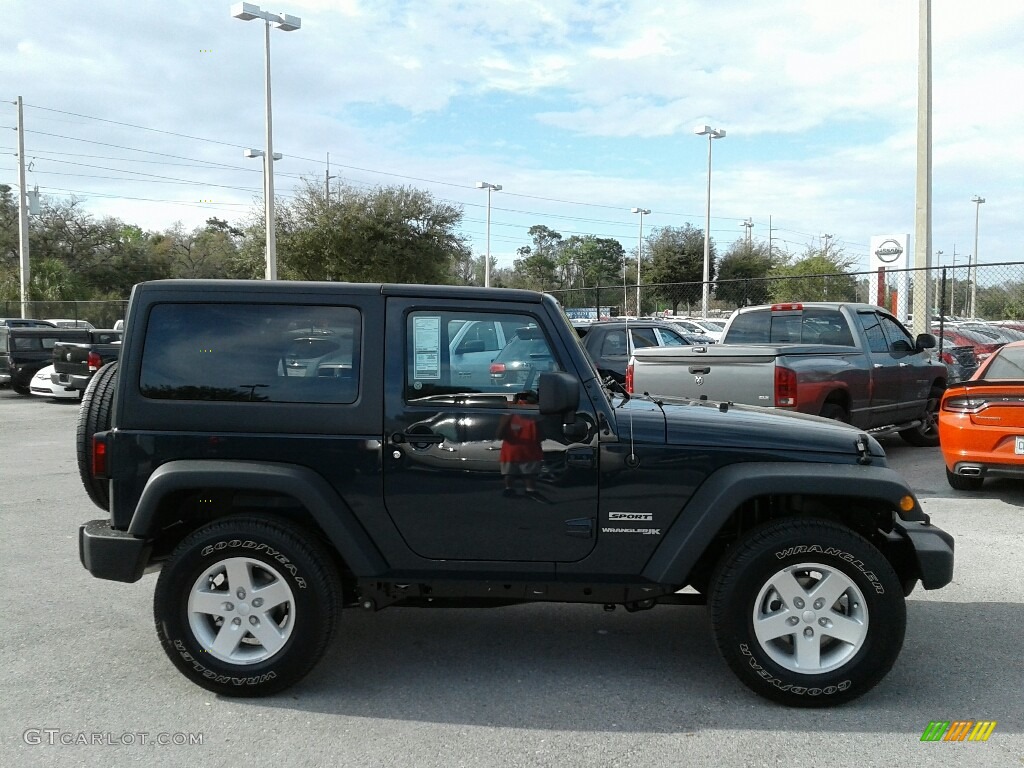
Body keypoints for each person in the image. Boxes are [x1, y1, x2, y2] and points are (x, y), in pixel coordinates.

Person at [497, 392, 544, 497]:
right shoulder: (508, 416)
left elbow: (542, 435)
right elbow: (500, 435)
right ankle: (510, 489)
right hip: (512, 453)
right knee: (509, 474)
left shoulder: (536, 417)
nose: (524, 405)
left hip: (530, 452)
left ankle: (530, 490)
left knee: (529, 474)